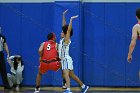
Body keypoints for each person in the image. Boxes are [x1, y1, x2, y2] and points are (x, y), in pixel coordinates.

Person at [59, 9, 89, 93]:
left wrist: (71, 20)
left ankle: (68, 89)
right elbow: (64, 26)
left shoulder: (66, 40)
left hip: (65, 59)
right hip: (65, 59)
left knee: (66, 74)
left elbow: (67, 30)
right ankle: (84, 86)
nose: (60, 32)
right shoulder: (63, 38)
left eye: (62, 32)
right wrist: (63, 16)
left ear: (65, 34)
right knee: (71, 75)